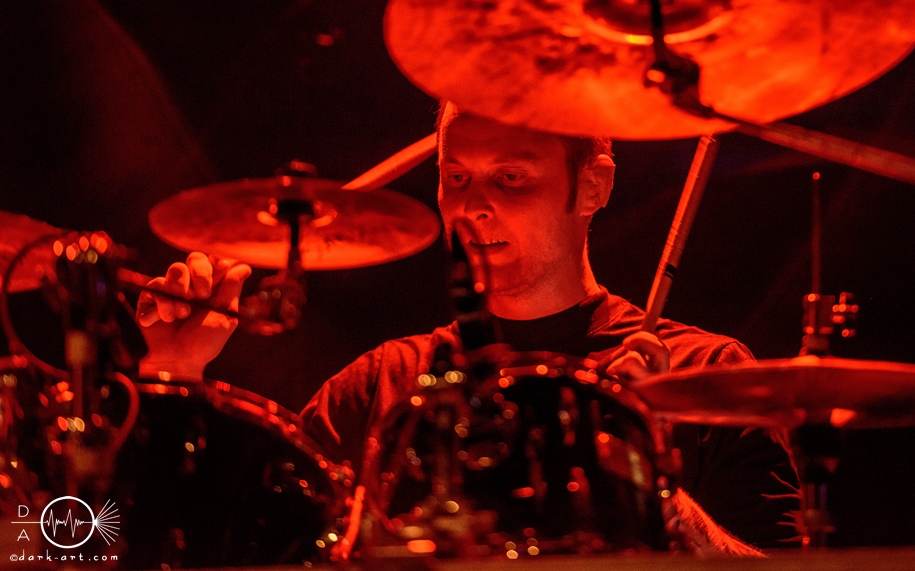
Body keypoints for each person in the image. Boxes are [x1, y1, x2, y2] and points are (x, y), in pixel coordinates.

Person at [136, 104, 800, 553]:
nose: (472, 206)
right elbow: (242, 546)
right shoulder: (382, 384)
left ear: (594, 187)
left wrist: (655, 491)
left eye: (511, 177)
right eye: (455, 176)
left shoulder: (704, 373)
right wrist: (175, 375)